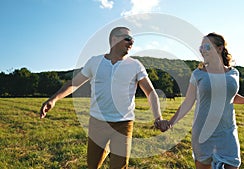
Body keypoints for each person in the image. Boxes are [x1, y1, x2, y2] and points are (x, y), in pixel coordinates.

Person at [40, 26, 163, 169]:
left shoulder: (136, 65)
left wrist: (158, 117)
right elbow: (74, 84)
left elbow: (151, 92)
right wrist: (54, 99)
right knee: (93, 165)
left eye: (133, 40)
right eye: (128, 39)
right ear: (114, 39)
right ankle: (106, 149)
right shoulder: (94, 62)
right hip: (97, 123)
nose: (132, 42)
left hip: (123, 124)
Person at [155, 33, 244, 169]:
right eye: (201, 47)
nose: (202, 50)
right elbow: (188, 102)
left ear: (220, 48)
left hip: (227, 132)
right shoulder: (198, 74)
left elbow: (230, 96)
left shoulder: (233, 73)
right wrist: (170, 123)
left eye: (206, 46)